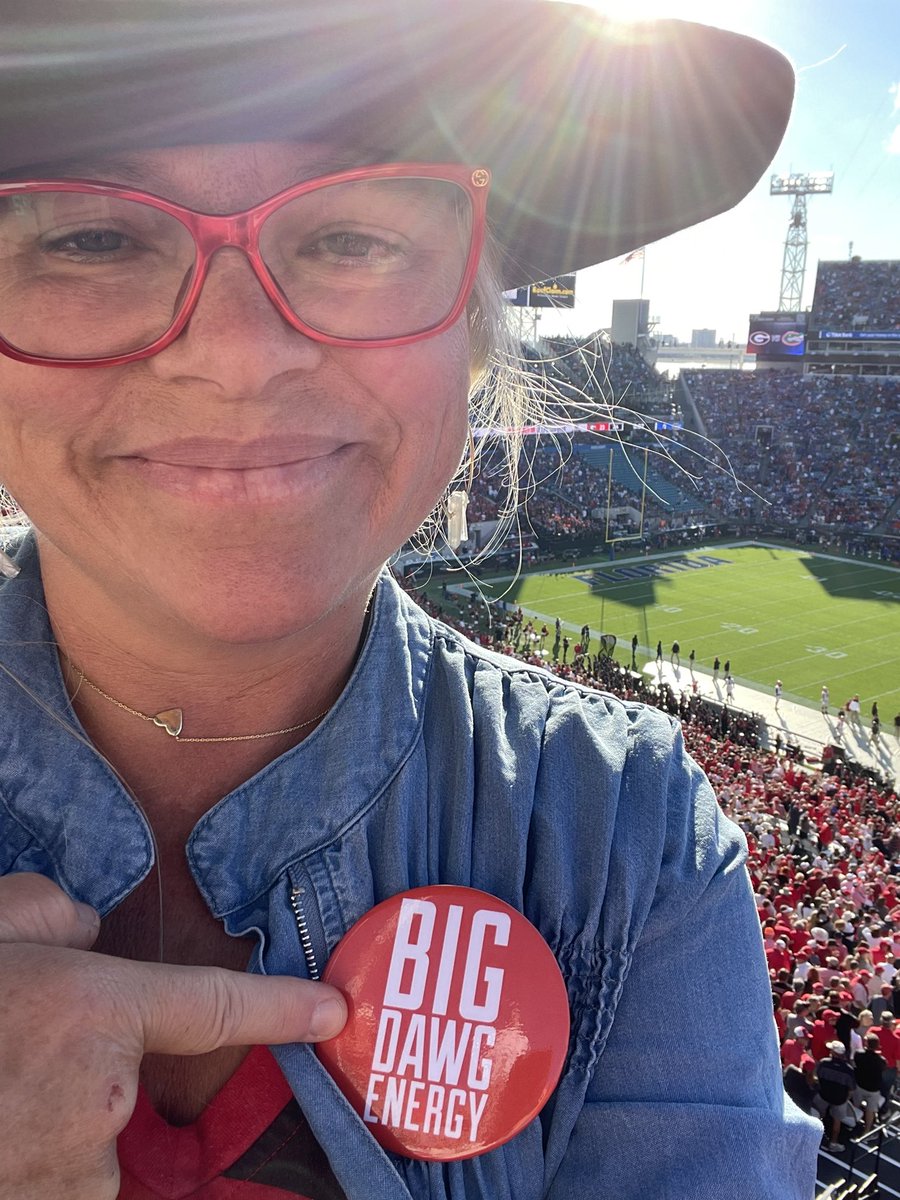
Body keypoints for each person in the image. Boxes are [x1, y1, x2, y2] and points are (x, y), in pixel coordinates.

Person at [0, 2, 818, 1198]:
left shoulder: (622, 831)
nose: (236, 352)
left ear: (477, 341)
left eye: (351, 237)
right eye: (91, 240)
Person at [813, 1041, 856, 1152]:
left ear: (833, 1052)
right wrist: (845, 1099)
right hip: (840, 1100)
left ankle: (815, 1138)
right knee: (837, 1122)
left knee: (817, 1117)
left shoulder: (824, 1063)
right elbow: (851, 1089)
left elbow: (817, 1077)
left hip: (823, 1096)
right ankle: (833, 1143)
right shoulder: (849, 1070)